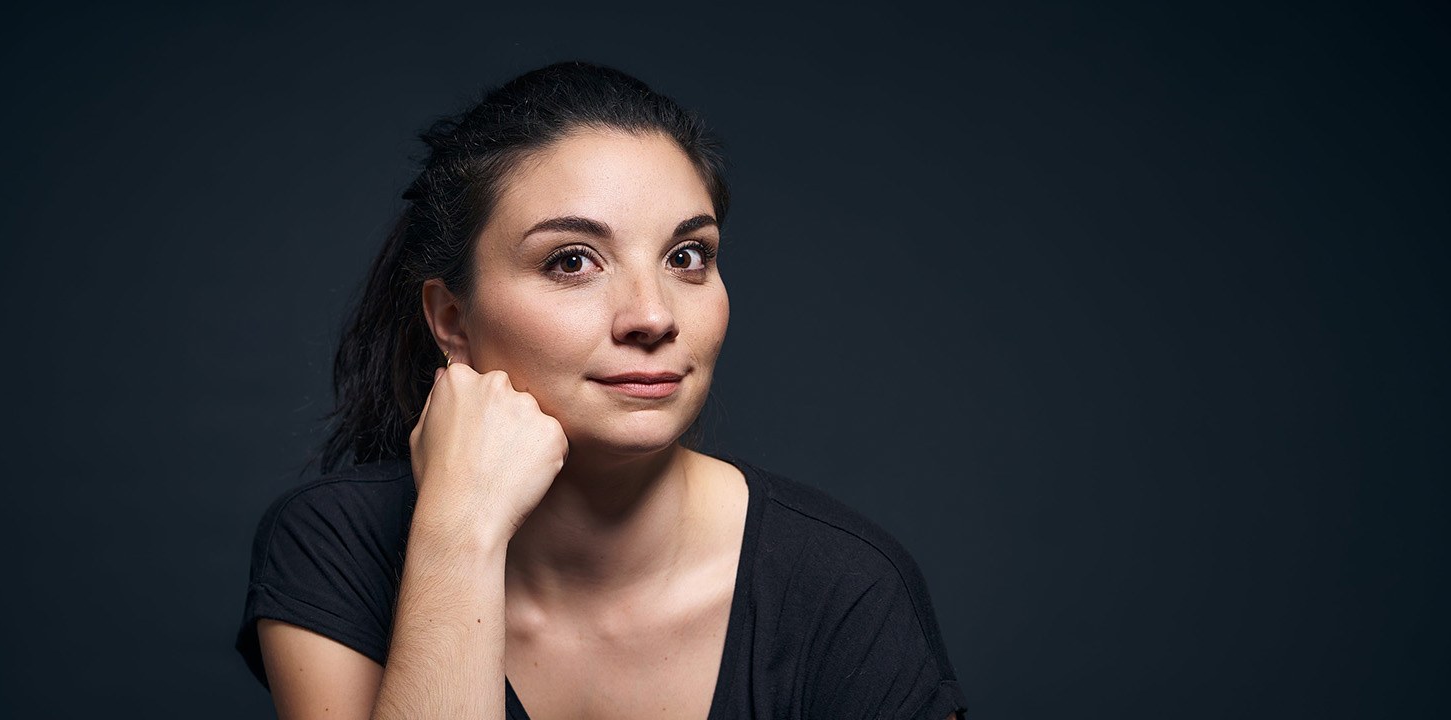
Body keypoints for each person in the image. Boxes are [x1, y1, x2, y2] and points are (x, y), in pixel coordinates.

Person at [234, 60, 968, 720]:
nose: (652, 316)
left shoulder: (845, 586)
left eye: (687, 256)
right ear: (451, 319)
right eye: (572, 261)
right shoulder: (335, 544)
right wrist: (458, 536)